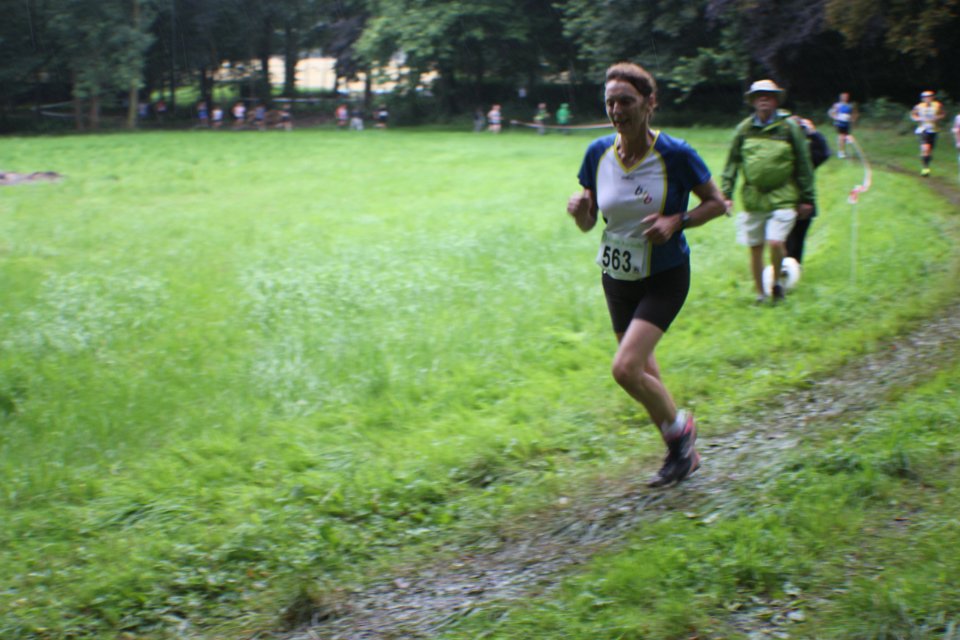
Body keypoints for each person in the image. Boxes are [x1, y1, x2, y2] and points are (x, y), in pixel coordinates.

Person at [566, 62, 727, 487]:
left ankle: (681, 430)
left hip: (665, 275)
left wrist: (677, 221)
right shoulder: (597, 153)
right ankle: (681, 455)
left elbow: (718, 203)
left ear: (650, 103)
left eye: (626, 101)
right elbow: (589, 223)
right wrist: (580, 212)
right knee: (645, 373)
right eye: (610, 102)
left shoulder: (676, 154)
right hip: (617, 277)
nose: (617, 110)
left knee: (625, 369)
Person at [721, 79, 815, 304]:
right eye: (759, 96)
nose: (763, 99)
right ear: (753, 101)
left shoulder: (789, 128)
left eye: (768, 95)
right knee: (755, 248)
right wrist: (726, 195)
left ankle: (776, 284)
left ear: (776, 100)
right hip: (753, 198)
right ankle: (760, 294)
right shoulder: (744, 129)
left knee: (775, 242)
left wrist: (807, 198)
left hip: (783, 197)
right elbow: (732, 163)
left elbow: (804, 164)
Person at [785, 117, 831, 265]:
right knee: (784, 242)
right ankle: (785, 269)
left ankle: (791, 270)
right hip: (782, 202)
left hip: (801, 203)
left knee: (795, 242)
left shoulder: (807, 154)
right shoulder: (780, 151)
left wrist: (813, 133)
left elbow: (824, 152)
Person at [911, 90, 946, 177]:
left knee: (929, 150)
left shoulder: (937, 105)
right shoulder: (919, 106)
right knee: (926, 148)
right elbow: (913, 115)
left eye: (929, 97)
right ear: (922, 98)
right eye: (925, 97)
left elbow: (943, 114)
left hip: (934, 130)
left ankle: (926, 162)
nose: (927, 99)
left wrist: (937, 118)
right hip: (923, 130)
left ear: (932, 98)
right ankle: (925, 168)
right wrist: (918, 119)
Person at [827, 92, 857, 158]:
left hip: (847, 123)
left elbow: (853, 114)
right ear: (840, 98)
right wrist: (835, 117)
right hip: (840, 123)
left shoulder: (849, 106)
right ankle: (841, 152)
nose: (845, 98)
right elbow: (831, 112)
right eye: (843, 97)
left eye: (846, 97)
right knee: (841, 136)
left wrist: (852, 119)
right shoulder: (837, 105)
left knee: (846, 137)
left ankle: (845, 149)